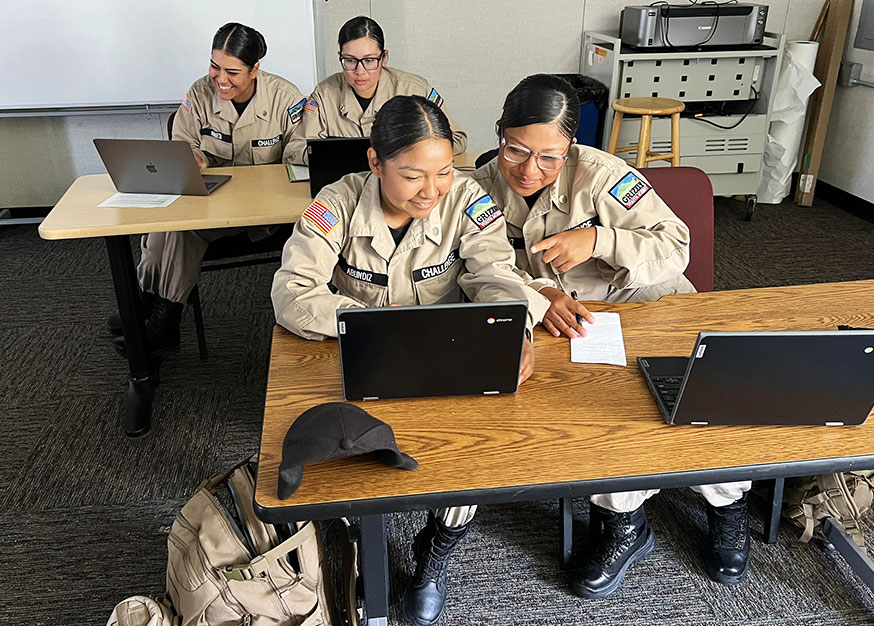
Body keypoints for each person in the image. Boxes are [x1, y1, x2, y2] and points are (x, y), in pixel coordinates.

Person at [272, 95, 548, 626]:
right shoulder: (337, 201)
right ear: (375, 163)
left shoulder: (467, 198)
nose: (432, 190)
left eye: (443, 171)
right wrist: (367, 322)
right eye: (412, 175)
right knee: (345, 464)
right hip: (365, 360)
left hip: (444, 361)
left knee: (465, 460)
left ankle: (434, 556)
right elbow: (291, 293)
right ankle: (355, 548)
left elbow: (495, 273)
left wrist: (518, 329)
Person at [472, 74, 752, 598]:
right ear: (499, 133)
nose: (529, 169)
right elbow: (481, 263)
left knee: (697, 394)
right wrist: (538, 292)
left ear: (570, 147)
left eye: (549, 157)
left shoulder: (603, 175)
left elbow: (676, 246)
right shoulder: (479, 186)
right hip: (566, 319)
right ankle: (623, 522)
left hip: (643, 300)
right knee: (604, 416)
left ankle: (727, 502)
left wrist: (600, 238)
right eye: (515, 150)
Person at [108, 22, 306, 355]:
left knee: (179, 231)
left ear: (255, 68)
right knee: (169, 226)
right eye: (214, 66)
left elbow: (300, 150)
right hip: (210, 203)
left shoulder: (286, 97)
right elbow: (181, 145)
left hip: (263, 212)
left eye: (232, 71)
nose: (220, 79)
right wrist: (194, 157)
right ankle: (157, 314)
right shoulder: (198, 93)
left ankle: (157, 313)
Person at [285, 15, 466, 165]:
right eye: (350, 60)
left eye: (369, 60)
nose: (360, 71)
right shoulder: (324, 94)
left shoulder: (415, 89)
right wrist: (332, 157)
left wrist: (409, 151)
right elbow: (294, 148)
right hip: (344, 184)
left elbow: (457, 139)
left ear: (384, 57)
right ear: (340, 57)